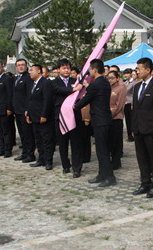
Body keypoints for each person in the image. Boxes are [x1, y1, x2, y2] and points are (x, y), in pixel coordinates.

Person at [74, 59, 116, 187]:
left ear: (95, 70)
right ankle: (102, 174)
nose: (89, 72)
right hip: (104, 119)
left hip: (100, 120)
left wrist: (73, 106)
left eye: (90, 69)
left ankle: (109, 177)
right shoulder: (104, 82)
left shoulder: (97, 84)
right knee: (101, 149)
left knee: (102, 150)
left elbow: (86, 99)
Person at [131, 57, 153, 198]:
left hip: (151, 130)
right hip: (139, 130)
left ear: (148, 70)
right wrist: (133, 129)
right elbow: (135, 110)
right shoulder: (137, 87)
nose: (137, 71)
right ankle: (144, 183)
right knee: (141, 158)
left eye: (139, 69)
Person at [51, 59, 83, 178]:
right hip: (60, 117)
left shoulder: (76, 81)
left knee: (76, 144)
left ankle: (77, 168)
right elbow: (59, 90)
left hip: (74, 116)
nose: (66, 70)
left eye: (68, 68)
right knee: (63, 144)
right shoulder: (54, 83)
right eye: (64, 68)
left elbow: (82, 92)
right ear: (58, 70)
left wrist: (80, 86)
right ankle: (66, 165)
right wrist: (73, 89)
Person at [26, 64, 54, 170]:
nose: (30, 72)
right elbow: (30, 101)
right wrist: (29, 114)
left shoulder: (45, 83)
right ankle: (41, 159)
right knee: (38, 140)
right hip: (34, 117)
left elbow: (47, 100)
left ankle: (48, 161)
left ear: (38, 71)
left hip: (43, 117)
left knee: (46, 140)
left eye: (32, 70)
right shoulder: (32, 84)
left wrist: (44, 114)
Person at [12, 59, 36, 163]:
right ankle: (24, 153)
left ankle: (30, 154)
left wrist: (27, 109)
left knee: (28, 134)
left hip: (24, 111)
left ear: (26, 66)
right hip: (17, 111)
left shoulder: (28, 78)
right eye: (18, 65)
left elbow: (29, 96)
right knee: (22, 134)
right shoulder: (17, 78)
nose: (21, 67)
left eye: (23, 65)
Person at [0, 61, 15, 158]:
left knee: (6, 131)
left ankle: (8, 150)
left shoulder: (7, 79)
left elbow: (10, 94)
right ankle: (1, 149)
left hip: (5, 109)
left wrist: (9, 108)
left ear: (2, 67)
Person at [108, 70, 127, 170]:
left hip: (116, 118)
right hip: (109, 118)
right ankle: (112, 160)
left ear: (117, 78)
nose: (110, 80)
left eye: (112, 78)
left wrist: (109, 114)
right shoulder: (109, 88)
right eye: (109, 78)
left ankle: (116, 162)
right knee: (110, 141)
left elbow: (119, 105)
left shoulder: (121, 88)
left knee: (116, 141)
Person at [123, 68, 138, 143]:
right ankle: (129, 135)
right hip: (125, 103)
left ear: (130, 74)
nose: (125, 75)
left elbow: (135, 94)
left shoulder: (134, 83)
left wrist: (133, 104)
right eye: (125, 73)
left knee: (132, 120)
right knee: (127, 120)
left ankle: (133, 135)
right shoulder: (125, 83)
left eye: (127, 73)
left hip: (131, 103)